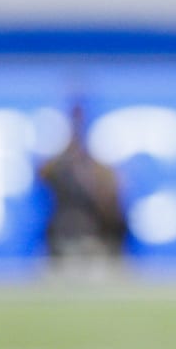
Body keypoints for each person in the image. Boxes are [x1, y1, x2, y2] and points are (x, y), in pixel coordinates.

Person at [36, 102, 130, 271]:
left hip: (93, 243)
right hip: (63, 240)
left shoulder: (99, 169)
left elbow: (112, 210)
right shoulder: (58, 164)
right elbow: (42, 176)